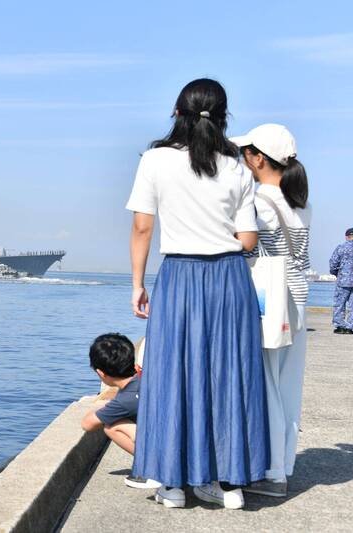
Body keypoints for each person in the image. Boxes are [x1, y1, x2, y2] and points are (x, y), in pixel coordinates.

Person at [126, 79, 269, 510]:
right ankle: (228, 484)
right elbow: (248, 239)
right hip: (229, 279)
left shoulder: (155, 160)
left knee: (173, 376)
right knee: (228, 376)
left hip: (180, 277)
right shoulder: (237, 167)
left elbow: (142, 228)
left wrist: (137, 284)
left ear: (177, 112)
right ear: (223, 117)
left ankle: (172, 485)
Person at [233, 124, 311, 497]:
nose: (241, 161)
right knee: (288, 388)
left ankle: (271, 473)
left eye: (244, 154)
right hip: (298, 297)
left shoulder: (259, 200)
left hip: (270, 298)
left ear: (259, 159)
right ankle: (284, 465)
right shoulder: (302, 201)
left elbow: (247, 246)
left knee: (266, 386)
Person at [81, 334, 159, 490]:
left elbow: (87, 424)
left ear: (101, 373)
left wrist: (106, 406)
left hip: (171, 451)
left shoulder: (126, 399)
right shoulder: (147, 378)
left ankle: (154, 469)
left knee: (112, 426)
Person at [329, 228, 353, 334]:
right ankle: (350, 328)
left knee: (339, 304)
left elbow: (333, 263)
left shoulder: (340, 248)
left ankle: (340, 326)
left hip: (342, 281)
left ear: (346, 236)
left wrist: (337, 274)